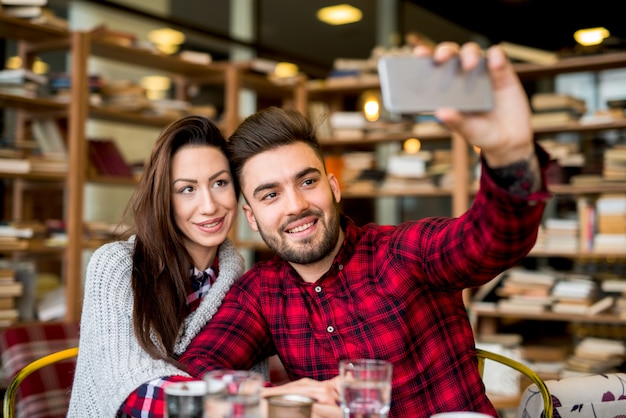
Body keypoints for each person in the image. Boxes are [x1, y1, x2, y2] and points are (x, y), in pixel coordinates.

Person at [179, 40, 551, 418]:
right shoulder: (260, 293)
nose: (295, 206)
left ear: (333, 187)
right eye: (271, 194)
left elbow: (494, 239)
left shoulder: (402, 251)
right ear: (251, 216)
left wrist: (509, 157)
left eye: (307, 182)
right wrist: (277, 398)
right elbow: (193, 377)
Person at [67, 115, 268, 417]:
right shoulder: (116, 266)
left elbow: (246, 383)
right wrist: (261, 403)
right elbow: (136, 395)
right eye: (187, 189)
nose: (210, 205)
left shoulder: (241, 284)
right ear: (164, 198)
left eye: (220, 183)